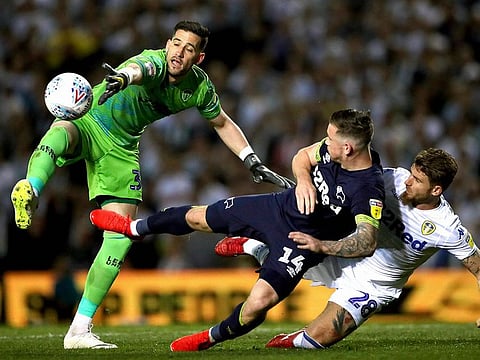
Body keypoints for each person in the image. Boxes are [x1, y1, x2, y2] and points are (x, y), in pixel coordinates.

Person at [10, 20, 293, 350]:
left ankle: (79, 330)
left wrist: (251, 160)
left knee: (120, 237)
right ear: (167, 43)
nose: (179, 52)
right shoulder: (153, 60)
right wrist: (123, 77)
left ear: (198, 58)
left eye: (189, 48)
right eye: (176, 43)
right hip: (91, 119)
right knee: (62, 131)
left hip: (122, 149)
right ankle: (30, 188)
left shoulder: (199, 87)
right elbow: (139, 69)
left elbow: (222, 122)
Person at [89, 108, 386, 351]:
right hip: (277, 207)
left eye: (330, 138)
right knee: (200, 216)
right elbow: (302, 157)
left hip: (300, 242)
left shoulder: (367, 188)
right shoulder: (334, 149)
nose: (325, 140)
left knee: (258, 304)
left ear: (347, 148)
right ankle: (134, 228)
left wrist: (322, 246)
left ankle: (210, 337)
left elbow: (366, 240)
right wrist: (304, 180)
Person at [215, 147, 480, 349]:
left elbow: (478, 268)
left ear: (436, 190)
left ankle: (289, 341)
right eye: (411, 173)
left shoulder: (447, 227)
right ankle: (256, 246)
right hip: (346, 248)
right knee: (294, 245)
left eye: (417, 180)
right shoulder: (392, 179)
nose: (409, 181)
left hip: (375, 282)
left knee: (321, 338)